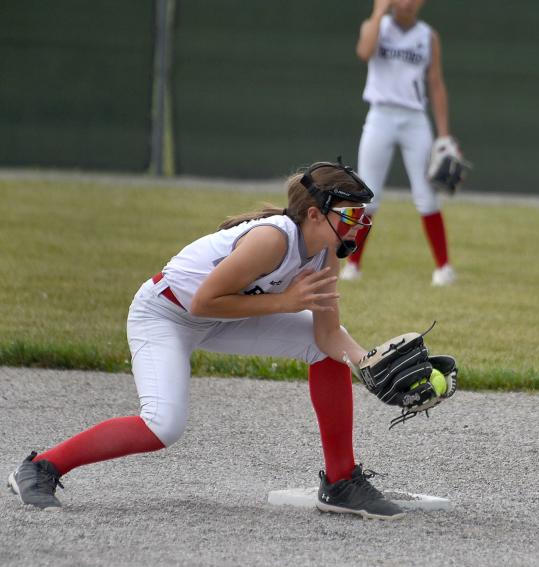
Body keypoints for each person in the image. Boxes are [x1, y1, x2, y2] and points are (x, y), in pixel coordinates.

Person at [7, 160, 412, 520]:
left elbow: (325, 335)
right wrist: (286, 301)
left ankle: (341, 482)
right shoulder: (273, 239)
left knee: (317, 347)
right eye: (347, 214)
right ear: (312, 214)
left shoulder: (324, 255)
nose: (357, 222)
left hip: (222, 314)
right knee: (163, 425)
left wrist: (367, 362)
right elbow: (202, 303)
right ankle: (41, 466)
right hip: (165, 314)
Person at [347, 0, 458, 286]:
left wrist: (444, 136)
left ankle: (444, 268)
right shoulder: (376, 26)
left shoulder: (428, 36)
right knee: (366, 193)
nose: (407, 2)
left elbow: (436, 83)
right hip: (380, 114)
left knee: (426, 194)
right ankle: (353, 265)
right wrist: (377, 11)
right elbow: (363, 51)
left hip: (414, 119)